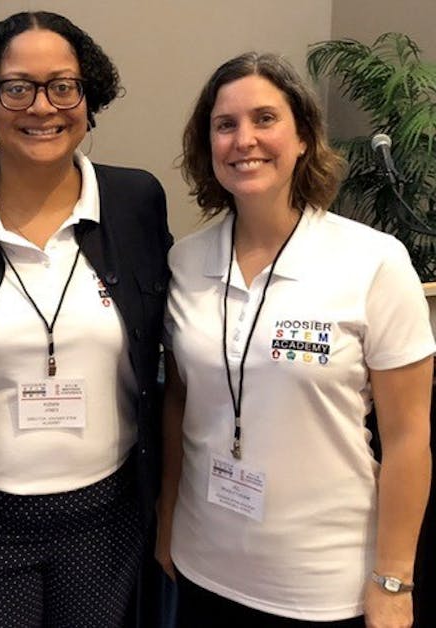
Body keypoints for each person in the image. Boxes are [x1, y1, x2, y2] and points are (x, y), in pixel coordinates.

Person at [0, 11, 171, 627]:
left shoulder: (135, 203)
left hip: (110, 511)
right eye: (17, 87)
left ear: (88, 98)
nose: (42, 106)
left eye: (63, 85)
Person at [156, 51, 434, 627]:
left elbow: (409, 437)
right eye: (225, 124)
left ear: (303, 136)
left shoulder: (373, 262)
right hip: (203, 562)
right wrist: (165, 522)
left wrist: (394, 579)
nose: (244, 140)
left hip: (321, 582)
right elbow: (181, 404)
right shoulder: (185, 261)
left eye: (265, 119)